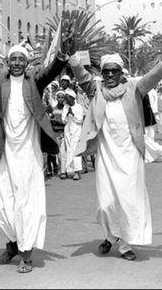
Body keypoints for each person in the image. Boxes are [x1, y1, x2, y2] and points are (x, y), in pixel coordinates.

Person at [0, 23, 75, 273]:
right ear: (7, 62)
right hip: (4, 152)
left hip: (28, 153)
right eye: (12, 59)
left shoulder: (34, 79)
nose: (15, 63)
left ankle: (26, 253)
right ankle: (12, 243)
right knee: (3, 203)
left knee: (26, 201)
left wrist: (63, 51)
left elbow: (52, 70)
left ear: (26, 63)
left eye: (20, 59)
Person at [69, 53, 162, 261]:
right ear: (102, 74)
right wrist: (72, 57)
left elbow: (154, 76)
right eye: (106, 71)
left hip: (130, 156)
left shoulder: (135, 88)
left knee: (129, 201)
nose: (110, 74)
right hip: (106, 156)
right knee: (106, 203)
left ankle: (125, 245)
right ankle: (111, 236)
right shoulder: (97, 90)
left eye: (115, 71)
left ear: (121, 73)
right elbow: (82, 76)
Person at [60, 88, 83, 180]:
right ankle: (65, 171)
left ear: (73, 98)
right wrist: (66, 115)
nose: (66, 100)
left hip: (76, 131)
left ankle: (77, 172)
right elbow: (63, 120)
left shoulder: (78, 107)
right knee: (66, 150)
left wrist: (73, 114)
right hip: (67, 131)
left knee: (75, 150)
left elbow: (80, 120)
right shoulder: (65, 107)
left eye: (67, 98)